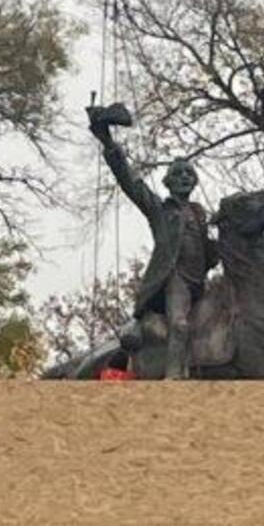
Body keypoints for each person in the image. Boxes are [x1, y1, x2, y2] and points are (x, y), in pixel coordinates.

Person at [86, 103, 212, 379]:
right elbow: (129, 180)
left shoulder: (200, 214)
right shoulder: (160, 210)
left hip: (199, 283)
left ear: (195, 182)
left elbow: (211, 251)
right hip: (175, 279)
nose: (183, 178)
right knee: (179, 324)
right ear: (167, 182)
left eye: (188, 174)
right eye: (177, 174)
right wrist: (108, 142)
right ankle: (173, 376)